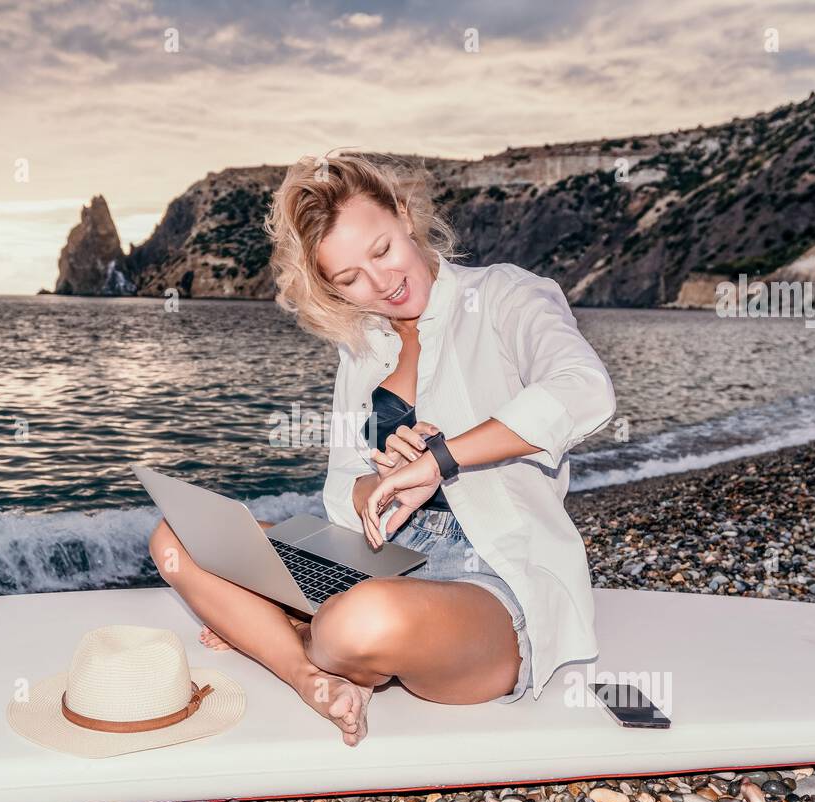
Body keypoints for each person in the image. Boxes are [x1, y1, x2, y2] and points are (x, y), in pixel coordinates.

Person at [149, 149, 616, 746]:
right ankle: (308, 676)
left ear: (403, 213)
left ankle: (292, 632)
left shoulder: (504, 296)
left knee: (356, 623)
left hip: (493, 577)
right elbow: (345, 495)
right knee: (177, 539)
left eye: (382, 251)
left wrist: (439, 461)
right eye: (350, 280)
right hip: (380, 558)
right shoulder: (363, 349)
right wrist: (377, 482)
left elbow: (582, 390)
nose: (382, 285)